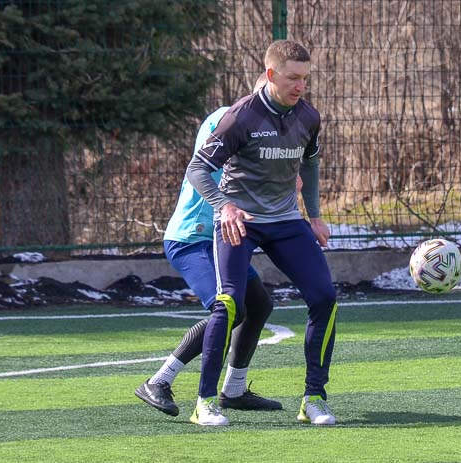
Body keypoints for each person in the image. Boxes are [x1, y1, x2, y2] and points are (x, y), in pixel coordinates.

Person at [188, 40, 338, 426]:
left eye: (305, 78)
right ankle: (205, 402)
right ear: (271, 75)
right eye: (292, 77)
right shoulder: (242, 117)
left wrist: (315, 216)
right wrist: (224, 206)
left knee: (325, 297)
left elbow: (310, 164)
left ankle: (314, 399)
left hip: (286, 223)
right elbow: (198, 169)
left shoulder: (308, 117)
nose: (300, 85)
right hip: (241, 222)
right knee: (229, 304)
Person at [134, 74, 283, 417]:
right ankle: (159, 380)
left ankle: (233, 389)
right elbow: (207, 167)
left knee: (258, 304)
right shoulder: (224, 119)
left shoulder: (270, 132)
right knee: (229, 307)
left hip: (225, 239)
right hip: (192, 239)